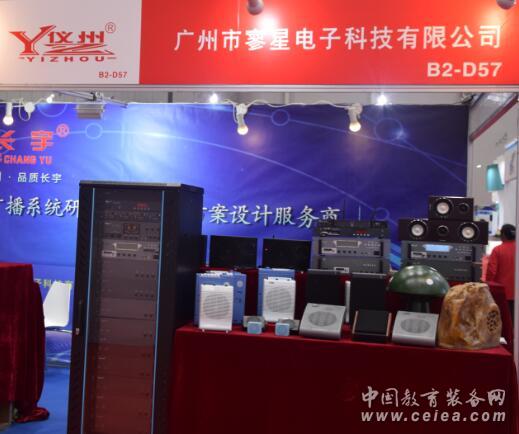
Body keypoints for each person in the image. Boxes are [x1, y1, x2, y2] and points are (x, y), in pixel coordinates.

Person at [486, 224, 516, 320]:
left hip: (502, 294)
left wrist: (486, 286)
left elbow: (491, 272)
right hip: (516, 293)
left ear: (503, 235)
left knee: (502, 321)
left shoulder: (497, 250)